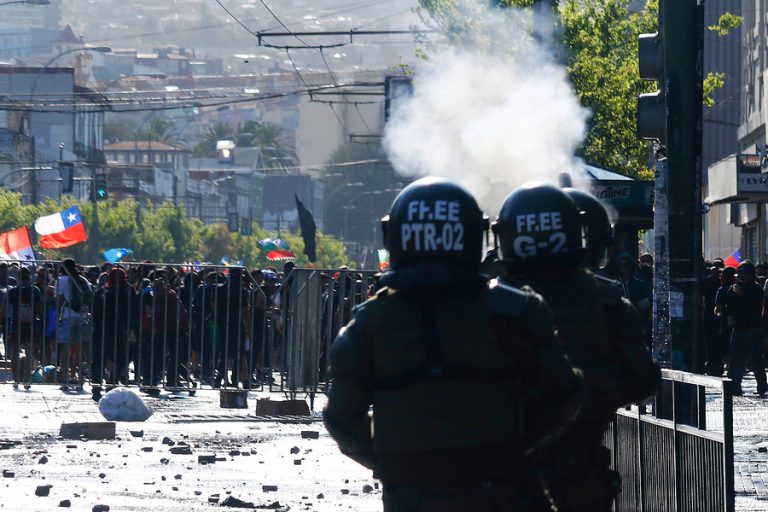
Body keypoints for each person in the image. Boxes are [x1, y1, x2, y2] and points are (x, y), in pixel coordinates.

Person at [324, 177, 582, 512]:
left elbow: (342, 419)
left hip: (409, 496)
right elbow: (564, 392)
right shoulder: (518, 311)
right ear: (475, 236)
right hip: (500, 491)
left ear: (396, 238)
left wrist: (395, 463)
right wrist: (515, 448)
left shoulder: (367, 324)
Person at [493, 183, 658, 512]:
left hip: (495, 470)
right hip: (578, 465)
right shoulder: (608, 301)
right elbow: (644, 381)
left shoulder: (485, 303)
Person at [726, 260, 766, 396]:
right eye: (739, 272)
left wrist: (742, 295)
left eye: (745, 272)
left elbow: (756, 306)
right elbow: (728, 306)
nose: (741, 275)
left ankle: (762, 386)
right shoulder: (734, 288)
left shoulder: (756, 288)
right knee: (736, 360)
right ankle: (735, 387)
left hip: (754, 329)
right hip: (738, 329)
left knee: (756, 360)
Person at [1, 267, 42, 389]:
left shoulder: (13, 291)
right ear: (29, 277)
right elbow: (39, 308)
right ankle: (27, 379)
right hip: (30, 324)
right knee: (29, 352)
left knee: (15, 351)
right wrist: (34, 316)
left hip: (16, 324)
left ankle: (16, 379)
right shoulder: (35, 290)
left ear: (19, 277)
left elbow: (4, 309)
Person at [56, 258, 93, 389]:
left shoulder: (62, 280)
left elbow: (59, 300)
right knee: (78, 348)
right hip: (82, 316)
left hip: (67, 315)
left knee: (65, 348)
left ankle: (65, 379)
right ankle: (76, 376)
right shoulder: (83, 280)